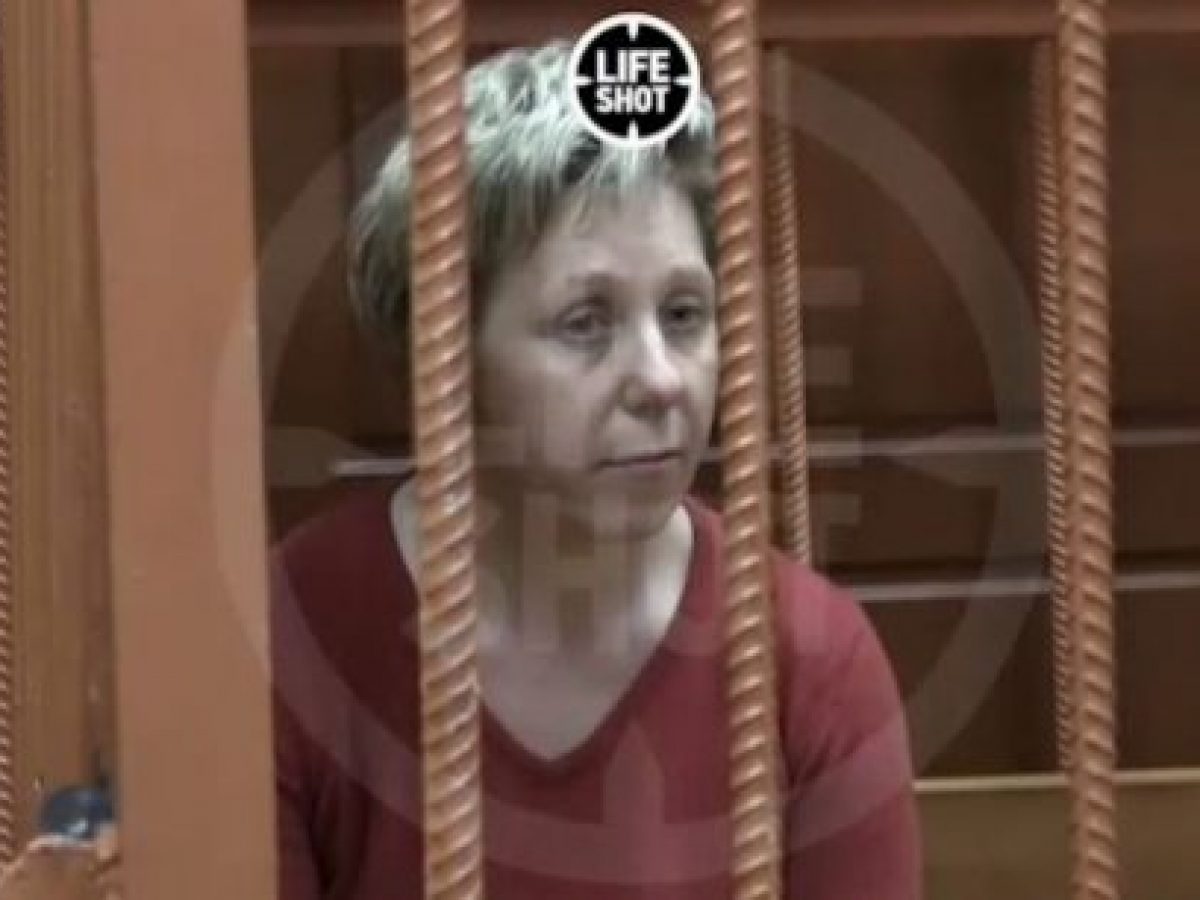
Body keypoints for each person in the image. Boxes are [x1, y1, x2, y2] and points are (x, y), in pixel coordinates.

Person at [270, 40, 921, 899]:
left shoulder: (813, 659)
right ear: (444, 354)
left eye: (684, 314)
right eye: (585, 322)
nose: (661, 379)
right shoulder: (299, 632)